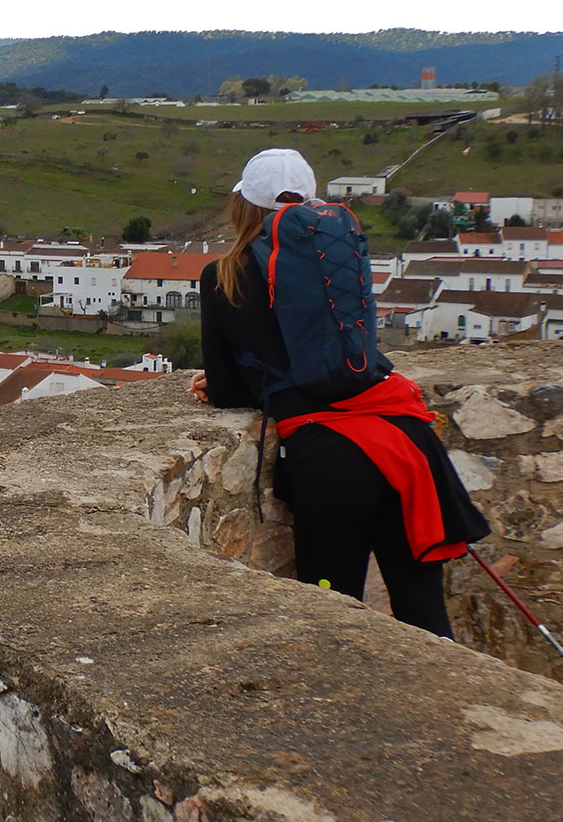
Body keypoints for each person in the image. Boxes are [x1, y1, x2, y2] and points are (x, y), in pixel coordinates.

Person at [188, 148, 488, 638]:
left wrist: (225, 381)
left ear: (242, 205)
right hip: (404, 438)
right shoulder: (338, 251)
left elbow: (225, 390)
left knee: (332, 618)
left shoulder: (223, 274)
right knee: (425, 613)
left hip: (330, 459)